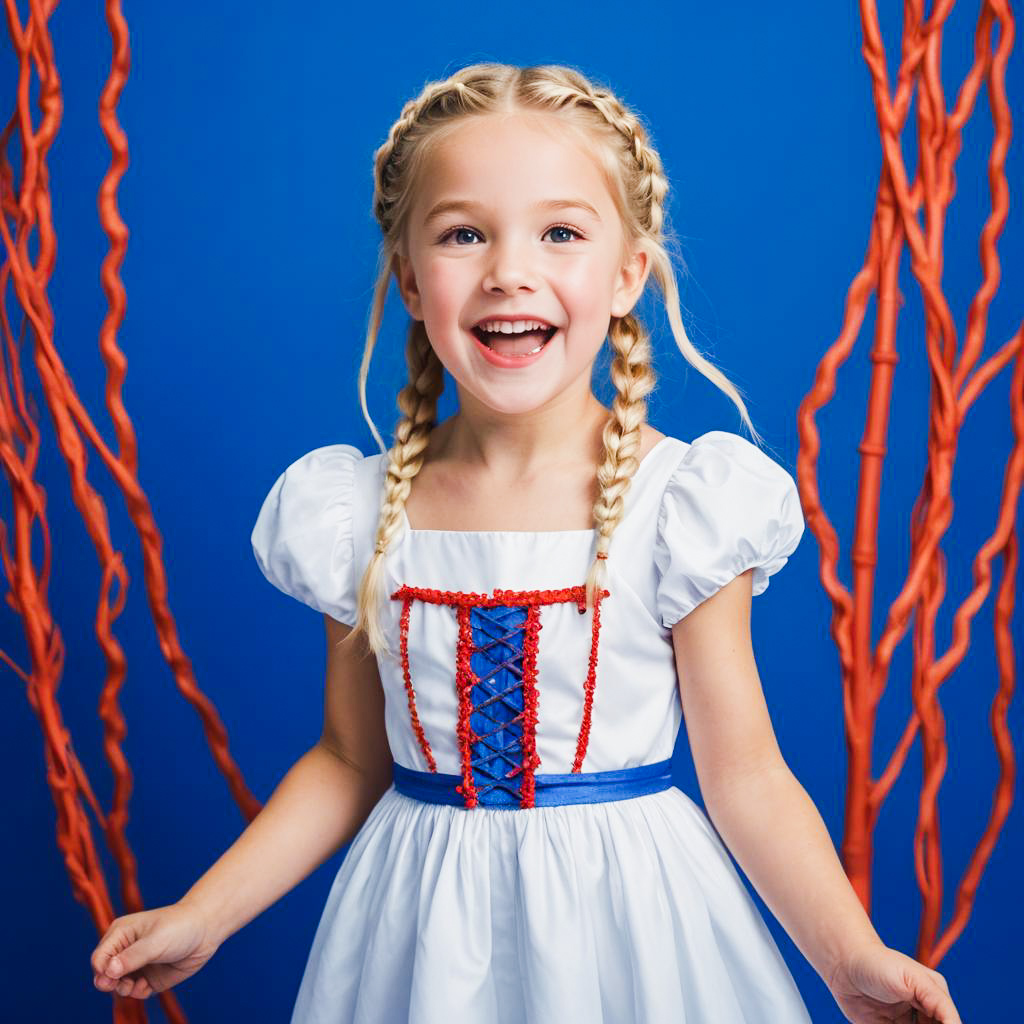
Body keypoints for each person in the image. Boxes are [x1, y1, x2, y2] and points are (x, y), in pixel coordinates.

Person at [90, 63, 963, 1024]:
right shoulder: (358, 512)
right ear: (411, 281)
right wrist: (205, 916)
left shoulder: (680, 505)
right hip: (419, 938)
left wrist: (850, 960)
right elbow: (348, 759)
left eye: (560, 233)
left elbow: (745, 771)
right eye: (464, 234)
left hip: (635, 930)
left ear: (628, 272)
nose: (510, 269)